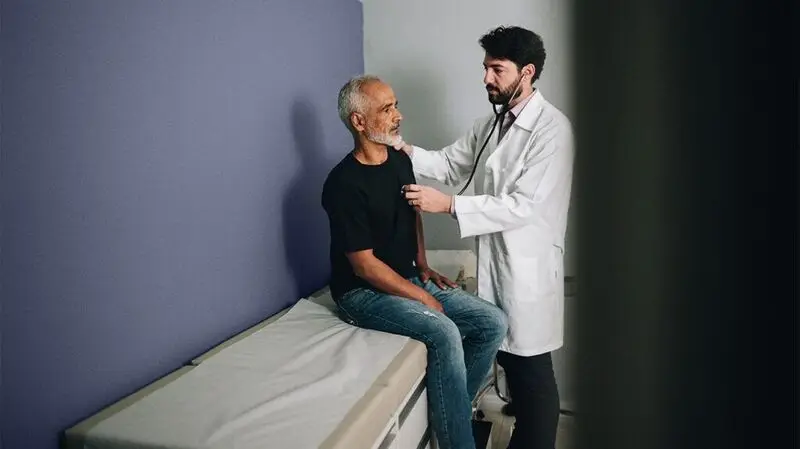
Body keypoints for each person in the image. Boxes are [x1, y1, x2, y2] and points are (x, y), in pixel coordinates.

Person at [396, 26, 574, 449]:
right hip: (499, 267)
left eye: (497, 69)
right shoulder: (491, 125)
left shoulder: (552, 129)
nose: (486, 78)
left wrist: (449, 205)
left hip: (527, 273)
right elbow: (449, 164)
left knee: (533, 378)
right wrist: (399, 147)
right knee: (513, 367)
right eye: (485, 68)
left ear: (526, 72)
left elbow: (524, 205)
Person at [321, 74, 509, 449]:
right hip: (361, 293)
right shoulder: (342, 184)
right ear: (359, 122)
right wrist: (421, 296)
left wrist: (422, 266)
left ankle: (452, 412)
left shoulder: (398, 161)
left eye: (396, 105)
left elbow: (413, 215)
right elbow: (364, 266)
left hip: (405, 275)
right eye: (386, 109)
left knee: (493, 322)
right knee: (444, 331)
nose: (398, 115)